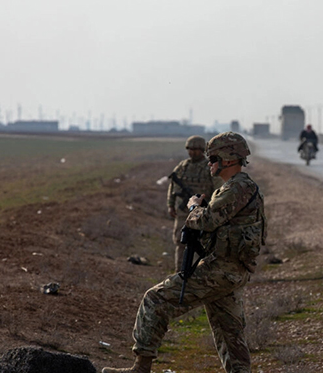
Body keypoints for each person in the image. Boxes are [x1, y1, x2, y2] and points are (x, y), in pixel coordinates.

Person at [103, 132, 266, 373]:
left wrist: (193, 208)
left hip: (220, 271)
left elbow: (207, 221)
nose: (209, 163)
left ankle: (141, 367)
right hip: (230, 270)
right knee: (229, 333)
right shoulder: (239, 187)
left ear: (229, 160)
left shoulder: (237, 188)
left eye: (213, 158)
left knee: (156, 299)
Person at [167, 135, 222, 272]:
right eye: (190, 149)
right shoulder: (183, 166)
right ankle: (179, 273)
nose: (193, 152)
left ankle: (199, 273)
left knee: (201, 244)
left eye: (196, 149)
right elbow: (172, 186)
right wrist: (170, 204)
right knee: (180, 241)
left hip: (202, 212)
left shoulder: (208, 167)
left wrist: (213, 208)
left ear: (202, 150)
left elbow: (218, 188)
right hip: (183, 211)